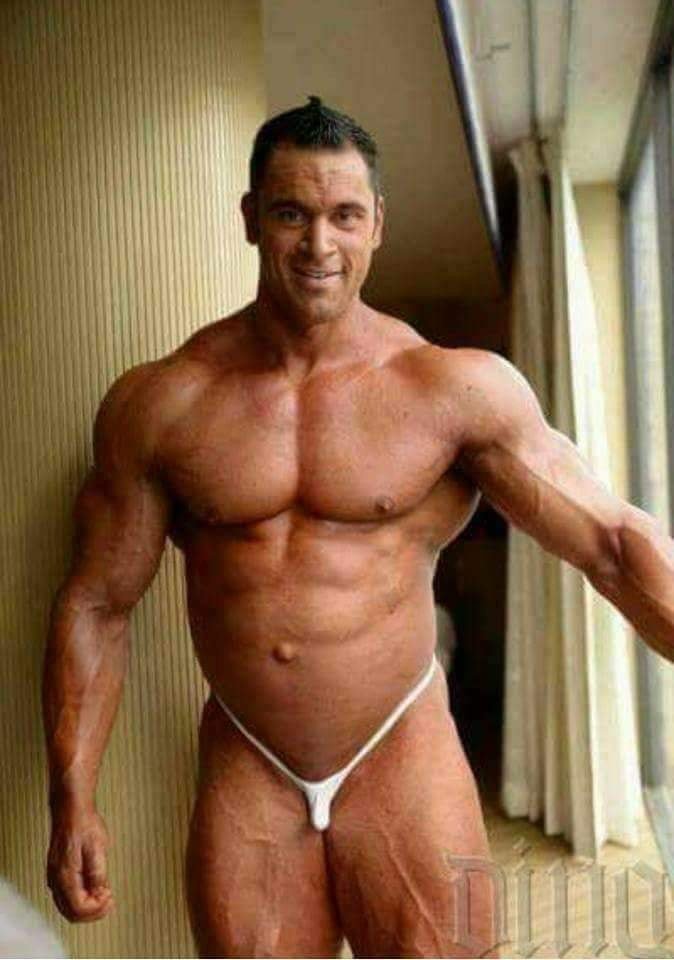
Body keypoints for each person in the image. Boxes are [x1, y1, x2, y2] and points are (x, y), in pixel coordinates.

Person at [43, 96, 674, 959]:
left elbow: (613, 543)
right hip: (250, 759)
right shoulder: (162, 403)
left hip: (400, 748)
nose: (319, 245)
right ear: (250, 220)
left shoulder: (452, 390)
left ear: (377, 222)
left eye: (344, 215)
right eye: (290, 214)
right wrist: (71, 796)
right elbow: (98, 605)